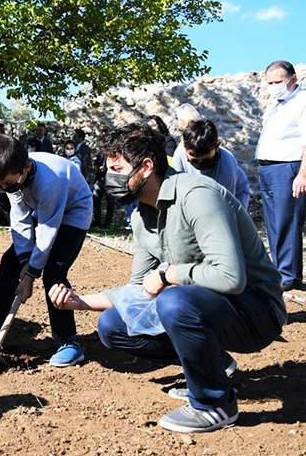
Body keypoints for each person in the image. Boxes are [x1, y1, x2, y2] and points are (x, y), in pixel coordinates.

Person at [49, 122, 286, 433]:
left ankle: (214, 403)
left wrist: (168, 273)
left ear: (146, 167)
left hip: (256, 311)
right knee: (113, 326)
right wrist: (78, 304)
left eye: (117, 168)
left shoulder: (197, 196)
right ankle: (210, 365)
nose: (109, 177)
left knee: (174, 301)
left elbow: (231, 278)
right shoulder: (141, 215)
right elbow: (138, 290)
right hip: (210, 308)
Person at [0, 135, 92, 366]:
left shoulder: (50, 181)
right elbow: (21, 219)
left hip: (73, 212)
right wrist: (25, 260)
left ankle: (69, 341)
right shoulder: (11, 175)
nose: (5, 189)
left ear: (27, 168)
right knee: (9, 261)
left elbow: (47, 229)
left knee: (54, 272)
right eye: (0, 186)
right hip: (40, 209)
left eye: (9, 185)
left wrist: (32, 275)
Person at [255, 60, 306, 291]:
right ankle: (279, 271)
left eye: (279, 81)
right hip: (268, 168)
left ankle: (289, 276)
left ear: (293, 79)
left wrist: (302, 175)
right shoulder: (277, 104)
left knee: (287, 221)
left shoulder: (301, 101)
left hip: (288, 168)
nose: (274, 86)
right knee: (273, 223)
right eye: (270, 82)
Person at [172, 119, 250, 209]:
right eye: (194, 158)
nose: (200, 162)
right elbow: (179, 190)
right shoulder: (179, 155)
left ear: (217, 147)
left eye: (205, 159)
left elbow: (225, 205)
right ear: (185, 147)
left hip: (233, 198)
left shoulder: (227, 166)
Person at [91, 135, 115, 228]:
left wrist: (105, 169)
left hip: (109, 180)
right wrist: (96, 167)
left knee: (110, 202)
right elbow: (97, 162)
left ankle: (107, 222)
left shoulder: (113, 155)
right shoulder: (100, 154)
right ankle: (97, 220)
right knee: (96, 199)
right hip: (99, 179)